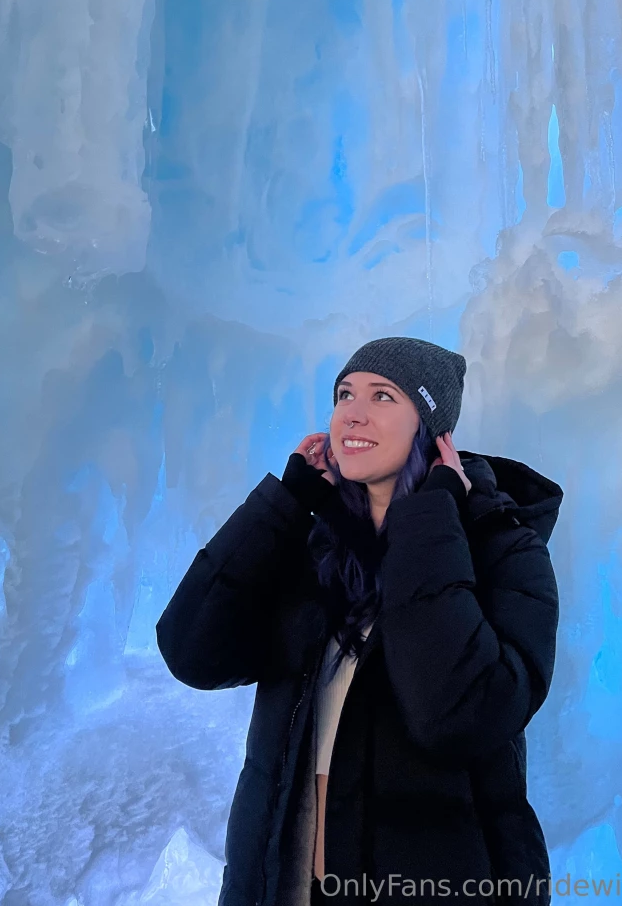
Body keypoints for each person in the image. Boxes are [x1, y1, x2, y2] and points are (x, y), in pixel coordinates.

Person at [156, 336, 563, 905]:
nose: (353, 411)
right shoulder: (312, 546)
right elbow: (191, 650)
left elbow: (461, 712)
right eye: (345, 393)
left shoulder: (503, 548)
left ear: (431, 428)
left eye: (383, 396)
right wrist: (284, 505)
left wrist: (428, 517)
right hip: (285, 883)